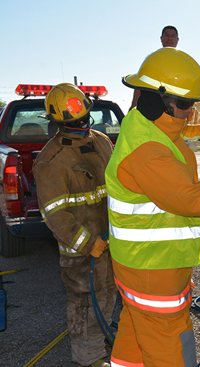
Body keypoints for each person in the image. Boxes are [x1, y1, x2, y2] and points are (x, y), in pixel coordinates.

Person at [106, 47, 200, 367]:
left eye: (194, 102)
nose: (192, 111)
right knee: (171, 343)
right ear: (157, 99)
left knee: (136, 331)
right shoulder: (147, 152)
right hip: (152, 270)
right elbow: (193, 199)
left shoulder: (150, 121)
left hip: (140, 264)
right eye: (185, 104)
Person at [33, 83, 116, 367]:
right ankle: (89, 357)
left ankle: (103, 337)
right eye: (73, 120)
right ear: (59, 123)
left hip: (111, 242)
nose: (81, 124)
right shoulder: (51, 161)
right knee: (85, 302)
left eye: (83, 118)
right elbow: (55, 214)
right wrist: (88, 243)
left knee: (108, 294)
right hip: (81, 249)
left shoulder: (102, 142)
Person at [128, 25, 179, 112]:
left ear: (177, 40)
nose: (169, 38)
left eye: (173, 36)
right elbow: (141, 81)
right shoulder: (152, 59)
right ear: (161, 38)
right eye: (166, 35)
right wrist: (133, 105)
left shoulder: (182, 62)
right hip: (153, 106)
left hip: (175, 107)